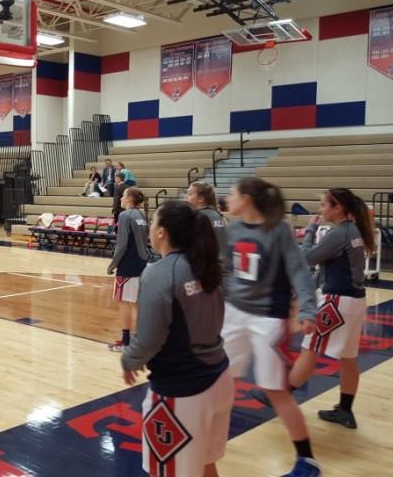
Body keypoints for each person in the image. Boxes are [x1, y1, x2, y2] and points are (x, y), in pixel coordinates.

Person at [122, 200, 232, 477]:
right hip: (219, 378)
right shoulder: (206, 264)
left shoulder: (160, 272)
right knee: (206, 465)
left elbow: (148, 339)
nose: (149, 227)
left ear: (162, 232)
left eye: (153, 221)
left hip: (182, 391)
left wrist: (129, 359)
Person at [221, 177, 320, 477]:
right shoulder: (233, 230)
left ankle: (308, 461)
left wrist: (306, 309)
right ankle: (207, 436)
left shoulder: (279, 231)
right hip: (233, 313)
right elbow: (225, 269)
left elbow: (299, 272)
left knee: (276, 390)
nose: (228, 199)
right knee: (219, 379)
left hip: (268, 318)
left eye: (232, 194)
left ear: (247, 199)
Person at [288, 188, 375, 429]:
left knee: (310, 349)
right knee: (348, 357)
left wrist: (310, 231)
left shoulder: (340, 233)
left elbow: (306, 258)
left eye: (324, 205)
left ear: (337, 208)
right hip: (355, 301)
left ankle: (280, 397)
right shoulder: (354, 230)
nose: (320, 209)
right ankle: (345, 411)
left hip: (338, 300)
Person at [107, 187, 149, 352]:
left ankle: (126, 342)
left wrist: (113, 264)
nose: (121, 199)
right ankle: (139, 341)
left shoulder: (125, 215)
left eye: (123, 196)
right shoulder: (141, 215)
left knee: (123, 302)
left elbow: (122, 244)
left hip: (127, 264)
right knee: (137, 304)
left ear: (130, 198)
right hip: (141, 262)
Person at [186, 181, 227, 262]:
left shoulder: (196, 217)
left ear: (200, 199)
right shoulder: (219, 215)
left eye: (190, 194)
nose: (186, 197)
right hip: (222, 263)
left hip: (206, 265)